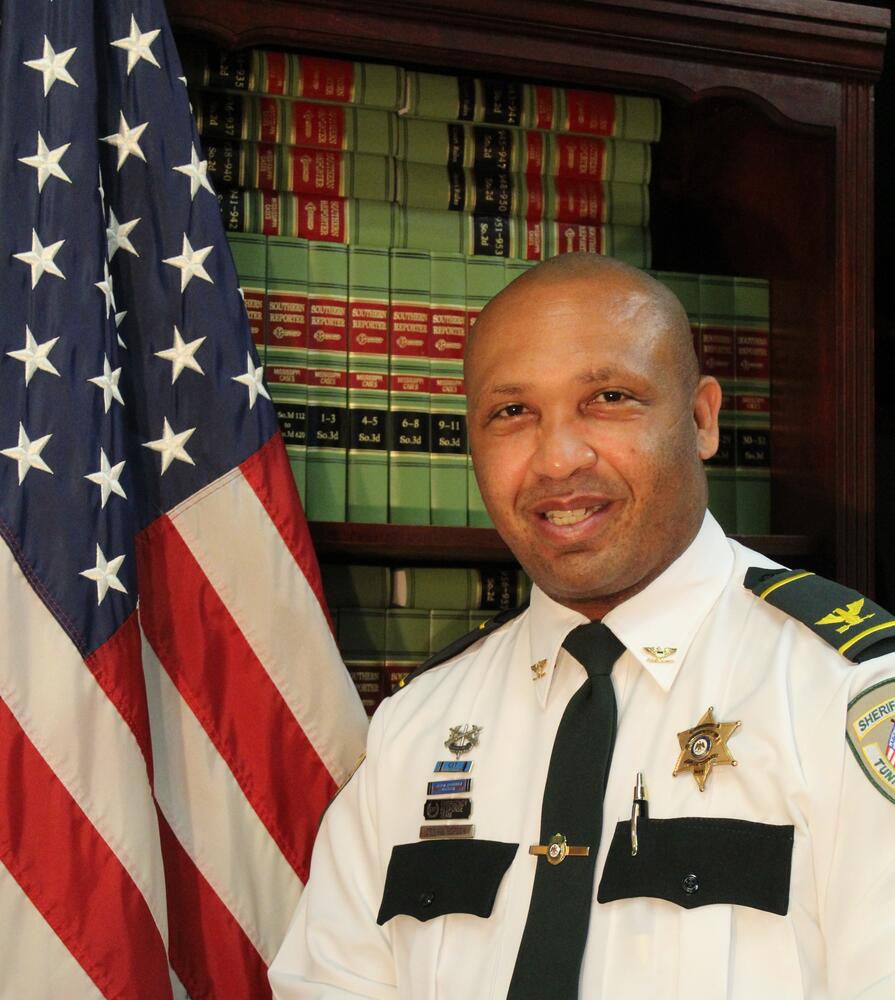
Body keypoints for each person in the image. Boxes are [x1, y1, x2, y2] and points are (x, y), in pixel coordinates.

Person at [269, 254, 895, 999]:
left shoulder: (847, 692)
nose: (558, 458)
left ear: (701, 419)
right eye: (512, 413)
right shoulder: (417, 725)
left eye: (607, 398)